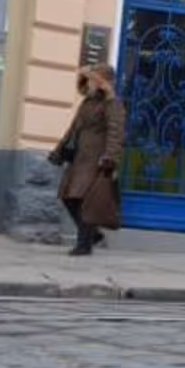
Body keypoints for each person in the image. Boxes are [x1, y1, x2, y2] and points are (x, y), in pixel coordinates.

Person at [48, 63, 124, 256]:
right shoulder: (87, 102)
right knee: (67, 197)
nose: (88, 83)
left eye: (92, 80)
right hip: (79, 157)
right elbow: (73, 128)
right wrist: (59, 150)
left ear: (101, 82)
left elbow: (116, 133)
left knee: (83, 200)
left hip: (97, 158)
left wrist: (110, 158)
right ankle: (93, 235)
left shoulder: (112, 104)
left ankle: (84, 245)